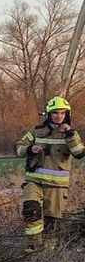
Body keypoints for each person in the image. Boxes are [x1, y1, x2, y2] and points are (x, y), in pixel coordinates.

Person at [16, 95, 85, 250]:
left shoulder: (71, 134)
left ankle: (48, 253)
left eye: (62, 113)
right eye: (55, 113)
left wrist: (70, 134)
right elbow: (18, 148)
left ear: (67, 114)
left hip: (57, 185)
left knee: (52, 221)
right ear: (48, 114)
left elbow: (79, 153)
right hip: (34, 180)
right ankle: (34, 245)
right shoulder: (36, 131)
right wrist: (29, 149)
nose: (59, 116)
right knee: (31, 209)